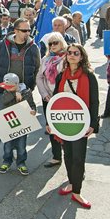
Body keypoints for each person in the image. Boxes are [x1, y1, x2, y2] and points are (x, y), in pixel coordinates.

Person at [0, 18, 40, 162]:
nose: (27, 33)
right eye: (24, 30)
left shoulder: (33, 47)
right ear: (15, 30)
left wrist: (30, 88)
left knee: (19, 122)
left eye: (29, 30)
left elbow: (37, 69)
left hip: (23, 92)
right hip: (5, 91)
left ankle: (16, 149)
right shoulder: (4, 45)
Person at [51, 44, 99, 209]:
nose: (72, 55)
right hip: (64, 122)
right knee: (68, 155)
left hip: (81, 123)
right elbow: (55, 101)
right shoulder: (61, 75)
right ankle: (72, 182)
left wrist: (93, 124)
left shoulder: (89, 76)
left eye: (75, 53)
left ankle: (77, 192)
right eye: (69, 53)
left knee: (79, 157)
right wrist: (52, 123)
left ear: (81, 56)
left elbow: (94, 102)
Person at [35, 32, 66, 168]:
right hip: (48, 98)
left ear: (62, 43)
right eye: (50, 43)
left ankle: (70, 158)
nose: (53, 46)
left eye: (55, 42)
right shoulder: (46, 59)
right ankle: (56, 156)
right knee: (51, 127)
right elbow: (39, 77)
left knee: (65, 128)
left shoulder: (67, 57)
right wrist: (43, 93)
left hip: (64, 98)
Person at [0, 73, 36, 175]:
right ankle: (6, 161)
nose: (7, 88)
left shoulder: (26, 92)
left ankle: (21, 162)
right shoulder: (6, 92)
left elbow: (31, 105)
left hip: (22, 122)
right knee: (8, 144)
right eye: (6, 87)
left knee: (21, 145)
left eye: (10, 87)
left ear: (17, 84)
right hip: (9, 122)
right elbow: (4, 101)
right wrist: (14, 94)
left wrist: (33, 111)